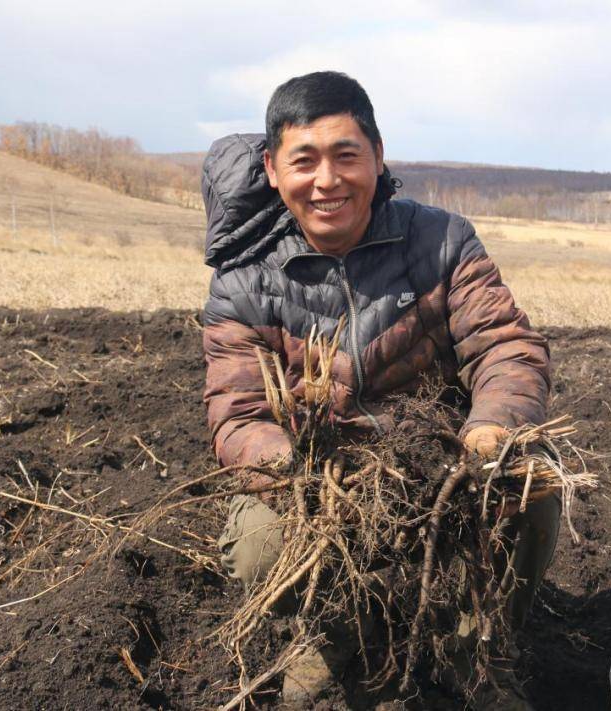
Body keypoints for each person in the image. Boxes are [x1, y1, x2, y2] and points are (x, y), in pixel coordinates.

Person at [201, 70, 557, 708]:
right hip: (319, 482)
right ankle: (345, 640)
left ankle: (475, 649)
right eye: (304, 161)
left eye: (346, 156)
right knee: (258, 543)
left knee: (531, 481)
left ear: (378, 155)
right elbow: (239, 414)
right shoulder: (243, 282)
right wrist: (296, 465)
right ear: (273, 169)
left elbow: (504, 345)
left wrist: (489, 428)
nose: (327, 181)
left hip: (437, 466)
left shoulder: (442, 241)